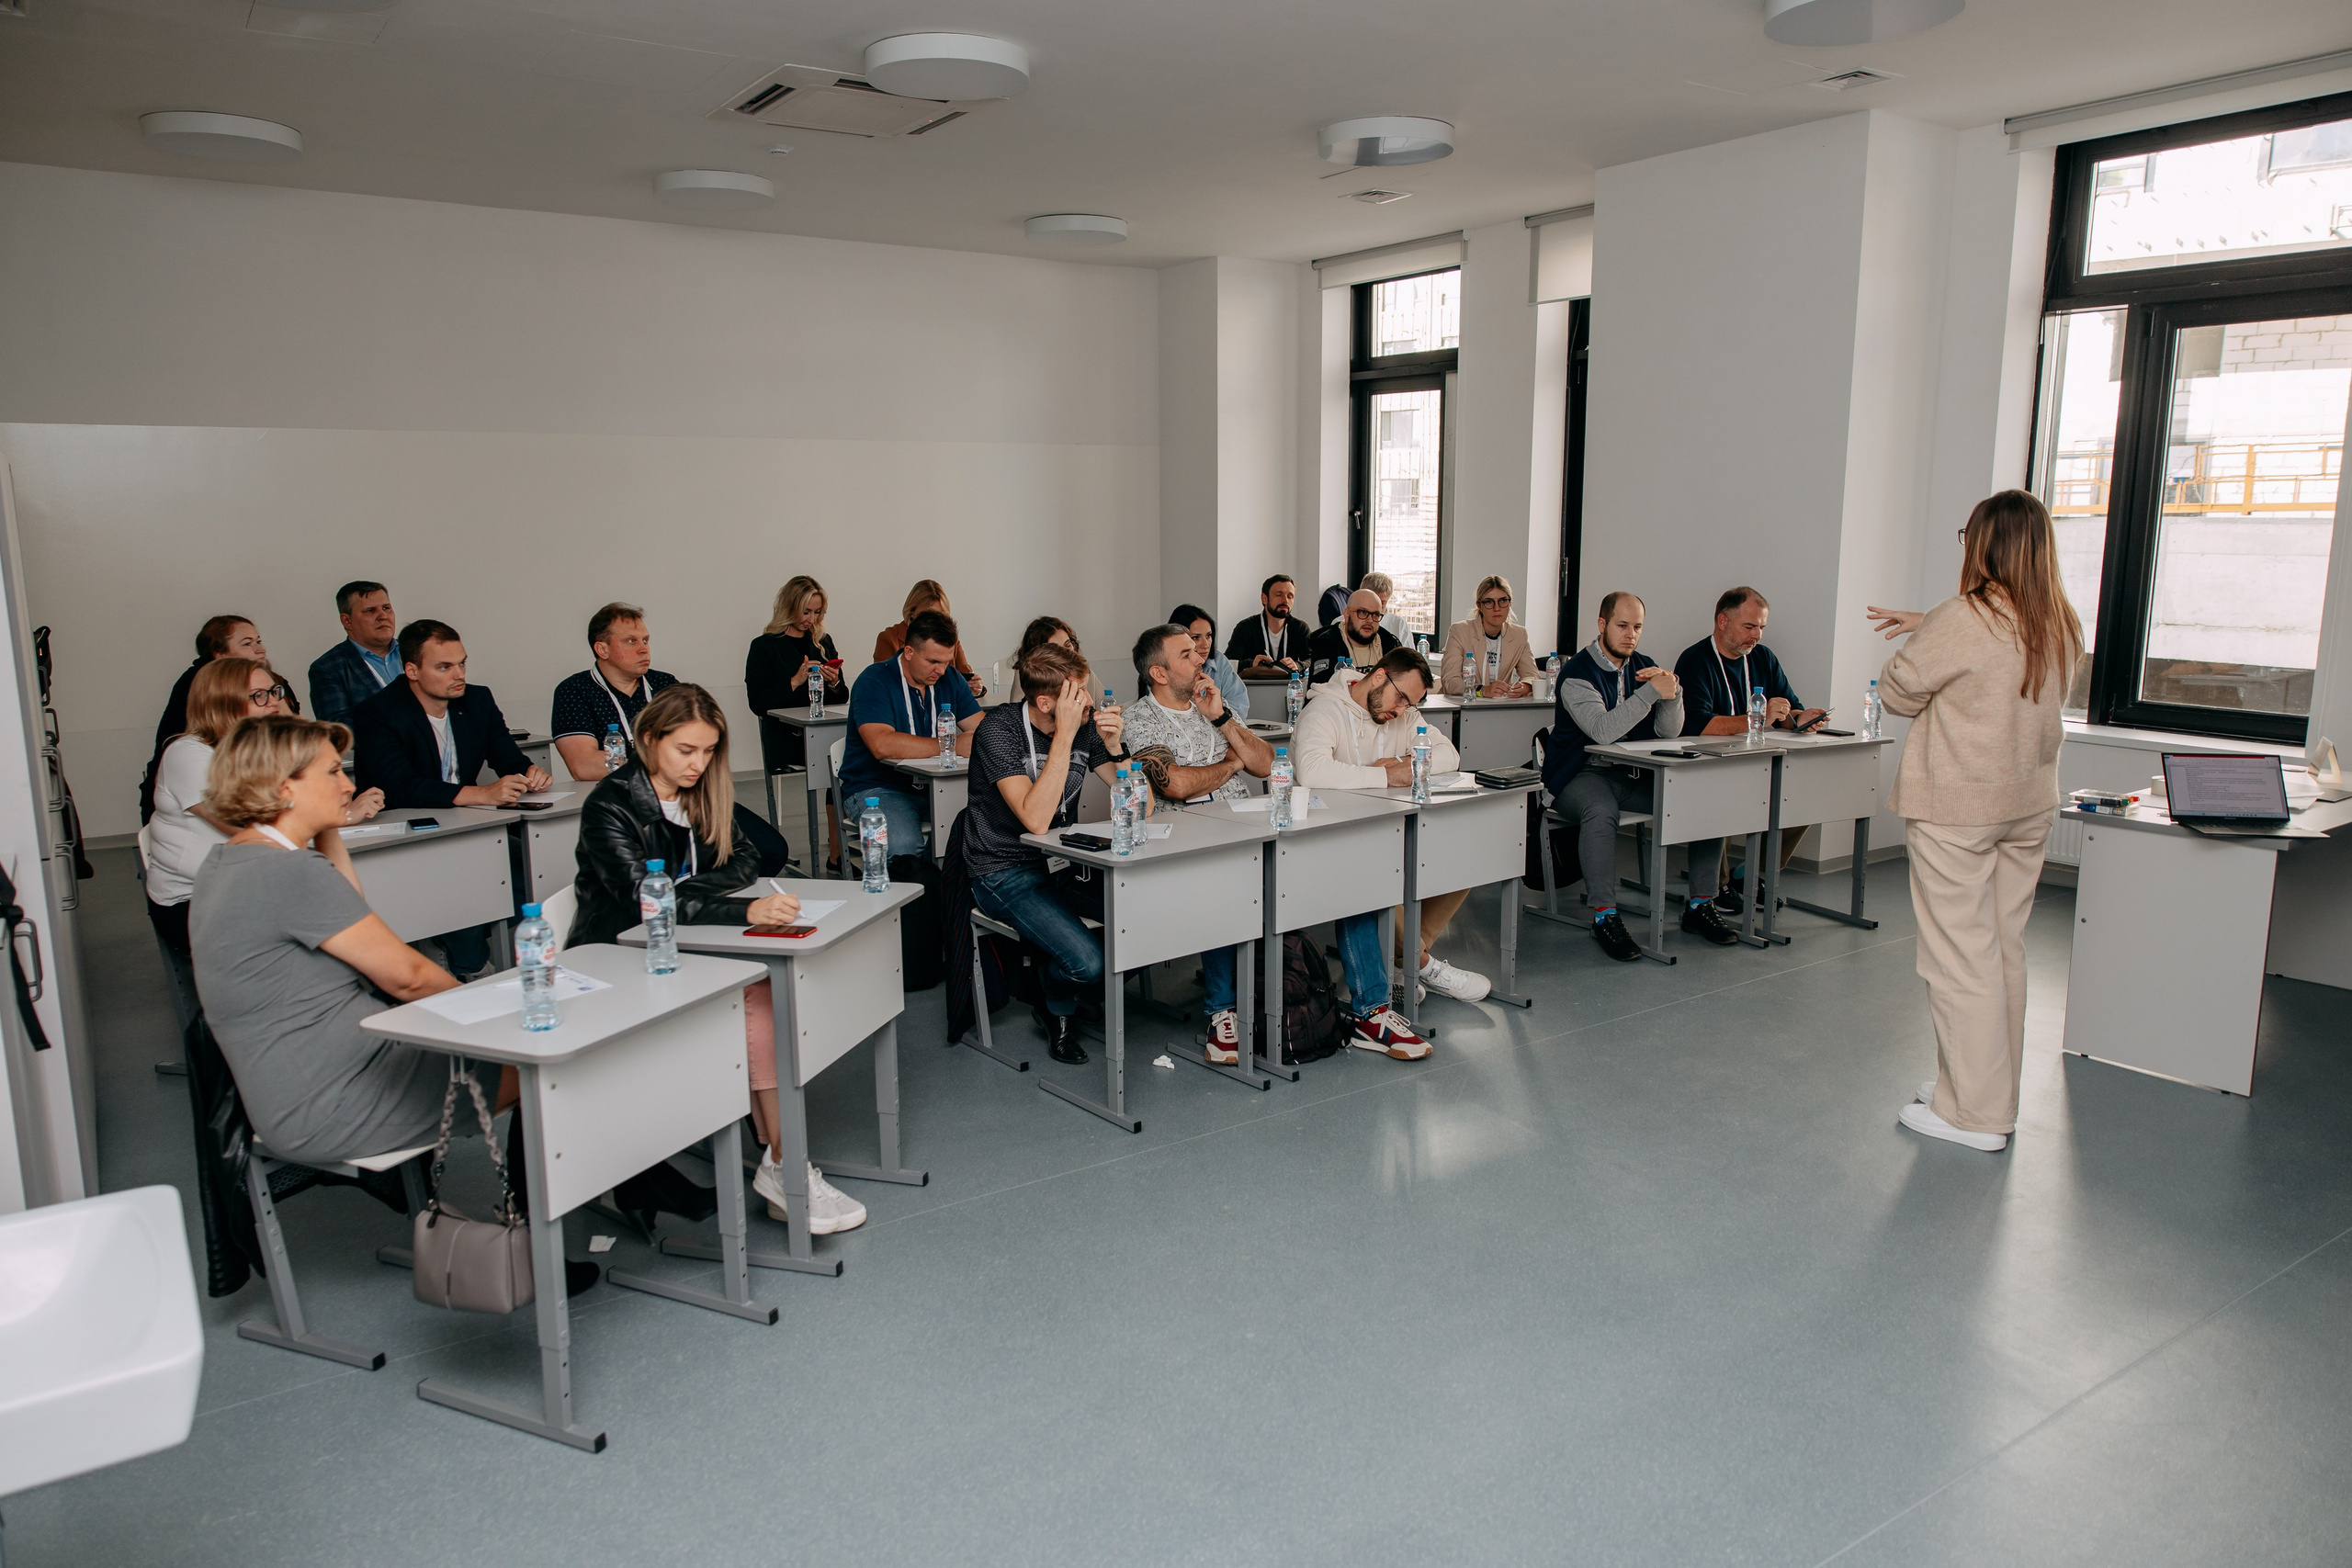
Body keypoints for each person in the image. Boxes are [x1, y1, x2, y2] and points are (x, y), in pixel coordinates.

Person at [569, 682, 865, 1234]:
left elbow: (750, 856)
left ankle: (782, 1161)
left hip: (689, 941)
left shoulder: (701, 793)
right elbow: (646, 902)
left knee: (770, 994)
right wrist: (741, 912)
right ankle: (786, 1165)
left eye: (708, 752)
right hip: (618, 959)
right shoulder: (610, 805)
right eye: (686, 750)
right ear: (649, 739)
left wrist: (691, 889)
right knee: (757, 1003)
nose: (698, 764)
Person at [1870, 491, 2080, 1155]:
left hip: (1959, 810)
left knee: (1959, 960)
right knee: (2001, 951)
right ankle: (1977, 1091)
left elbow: (1899, 690)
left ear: (1984, 544)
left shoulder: (1964, 619)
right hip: (2026, 805)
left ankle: (1976, 1116)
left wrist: (1931, 628)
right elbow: (1991, 654)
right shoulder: (2060, 622)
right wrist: (1934, 621)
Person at [147, 659, 382, 1012]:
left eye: (275, 691)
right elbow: (254, 829)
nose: (273, 702)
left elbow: (300, 805)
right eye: (258, 696)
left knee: (338, 927)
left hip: (256, 884)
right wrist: (341, 815)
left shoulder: (258, 753)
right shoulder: (187, 754)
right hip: (193, 901)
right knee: (320, 943)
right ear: (223, 704)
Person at [959, 641, 1134, 1065]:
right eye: (1078, 695)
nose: (1089, 702)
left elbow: (1139, 806)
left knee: (1147, 925)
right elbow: (1035, 819)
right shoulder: (998, 731)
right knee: (1090, 963)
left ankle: (1071, 985)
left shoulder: (1085, 728)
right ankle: (1055, 1004)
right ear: (1044, 701)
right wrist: (1067, 735)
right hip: (1002, 870)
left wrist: (1115, 748)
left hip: (1065, 862)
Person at [1292, 647, 1491, 1010]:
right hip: (1327, 838)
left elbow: (1449, 754)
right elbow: (1313, 771)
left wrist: (1403, 761)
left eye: (1409, 704)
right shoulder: (1323, 710)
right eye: (1400, 698)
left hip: (1386, 830)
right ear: (1380, 675)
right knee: (1379, 872)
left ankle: (1405, 960)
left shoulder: (1400, 712)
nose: (1401, 711)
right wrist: (1386, 775)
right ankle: (1421, 964)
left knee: (1466, 855)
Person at [349, 619, 552, 976]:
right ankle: (469, 962)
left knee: (537, 867)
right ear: (412, 670)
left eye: (462, 663)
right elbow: (399, 786)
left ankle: (457, 947)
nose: (458, 674)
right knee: (464, 884)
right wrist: (482, 793)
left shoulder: (477, 698)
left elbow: (507, 757)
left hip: (471, 825)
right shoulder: (377, 713)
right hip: (410, 832)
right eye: (444, 667)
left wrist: (529, 773)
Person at [1122, 624, 1273, 1061]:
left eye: (1198, 650)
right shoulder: (1137, 719)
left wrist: (1223, 720)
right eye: (1187, 654)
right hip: (1181, 836)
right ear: (1160, 673)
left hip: (1240, 825)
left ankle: (1280, 994)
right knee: (1223, 886)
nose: (1200, 659)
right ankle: (1223, 1011)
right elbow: (1175, 786)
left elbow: (1263, 764)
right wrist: (1230, 765)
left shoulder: (1211, 703)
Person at [1543, 592, 1714, 961]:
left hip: (1631, 774)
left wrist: (1672, 693)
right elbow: (1602, 731)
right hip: (1578, 773)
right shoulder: (1575, 674)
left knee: (1699, 800)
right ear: (1602, 625)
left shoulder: (1645, 665)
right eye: (1622, 626)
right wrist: (1651, 692)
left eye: (1637, 627)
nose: (1631, 635)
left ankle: (1700, 905)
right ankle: (1605, 915)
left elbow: (1670, 732)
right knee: (1600, 811)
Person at [1672, 587, 1829, 909]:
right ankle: (1717, 886)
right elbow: (1697, 725)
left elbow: (1787, 710)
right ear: (1723, 622)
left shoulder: (1763, 657)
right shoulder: (1695, 659)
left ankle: (1751, 872)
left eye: (1761, 628)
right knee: (1723, 797)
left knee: (1804, 796)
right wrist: (1756, 718)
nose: (1756, 636)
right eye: (1749, 627)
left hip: (1755, 757)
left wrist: (1802, 718)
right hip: (1708, 762)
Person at [840, 608, 983, 859]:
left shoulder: (950, 678)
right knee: (904, 847)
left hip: (936, 785)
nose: (941, 670)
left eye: (947, 662)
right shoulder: (874, 680)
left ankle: (945, 888)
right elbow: (881, 744)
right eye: (933, 662)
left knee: (985, 829)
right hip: (878, 788)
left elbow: (981, 728)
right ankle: (918, 890)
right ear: (909, 652)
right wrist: (950, 746)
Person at [141, 615, 301, 823]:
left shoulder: (269, 690)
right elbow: (244, 826)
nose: (260, 650)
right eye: (247, 644)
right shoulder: (189, 749)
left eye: (258, 641)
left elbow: (296, 737)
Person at [746, 575, 846, 866]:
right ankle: (834, 852)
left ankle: (837, 852)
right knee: (834, 761)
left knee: (843, 758)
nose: (811, 619)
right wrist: (795, 681)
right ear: (789, 607)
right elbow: (758, 703)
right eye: (806, 611)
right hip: (786, 739)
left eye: (817, 612)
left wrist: (834, 682)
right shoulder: (765, 646)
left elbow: (842, 697)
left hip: (821, 734)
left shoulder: (822, 642)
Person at [550, 603, 679, 782]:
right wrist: (661, 763)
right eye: (631, 641)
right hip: (615, 797)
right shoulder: (574, 691)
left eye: (645, 640)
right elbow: (583, 765)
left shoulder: (666, 685)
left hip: (676, 792)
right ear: (602, 650)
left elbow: (695, 744)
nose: (644, 649)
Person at [306, 581, 401, 725]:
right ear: (347, 621)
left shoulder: (416, 652)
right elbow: (339, 729)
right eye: (370, 610)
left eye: (386, 608)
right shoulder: (328, 669)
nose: (383, 615)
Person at [873, 580, 985, 699]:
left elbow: (964, 677)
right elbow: (884, 684)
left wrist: (975, 688)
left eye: (939, 616)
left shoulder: (951, 640)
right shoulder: (888, 638)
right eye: (927, 615)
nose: (934, 622)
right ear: (912, 612)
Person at [1439, 575, 1539, 699]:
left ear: (1509, 603)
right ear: (1479, 606)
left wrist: (1524, 687)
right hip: (1462, 705)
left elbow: (1532, 675)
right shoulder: (1460, 631)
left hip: (1498, 706)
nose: (1497, 608)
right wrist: (1483, 690)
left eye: (1503, 601)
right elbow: (1450, 681)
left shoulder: (1519, 634)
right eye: (1489, 602)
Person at [1306, 589, 1401, 686]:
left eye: (1375, 615)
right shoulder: (1326, 645)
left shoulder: (1390, 644)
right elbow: (1319, 693)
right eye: (1363, 612)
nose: (1369, 620)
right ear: (1347, 614)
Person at [1168, 604, 1249, 719]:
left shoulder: (1219, 660)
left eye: (1208, 636)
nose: (1205, 645)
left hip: (1221, 732)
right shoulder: (1164, 664)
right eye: (1196, 637)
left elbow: (1239, 708)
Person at [1225, 575, 1309, 677]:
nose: (1285, 600)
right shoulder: (1245, 627)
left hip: (1291, 688)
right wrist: (1252, 664)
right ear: (1264, 599)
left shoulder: (1300, 628)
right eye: (1279, 595)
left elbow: (1314, 660)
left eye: (1290, 596)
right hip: (1253, 689)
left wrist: (1298, 665)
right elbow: (1227, 664)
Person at [1361, 571, 1409, 644]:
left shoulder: (1399, 624)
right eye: (1372, 601)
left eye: (1381, 603)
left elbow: (1410, 654)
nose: (1376, 608)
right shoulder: (1341, 623)